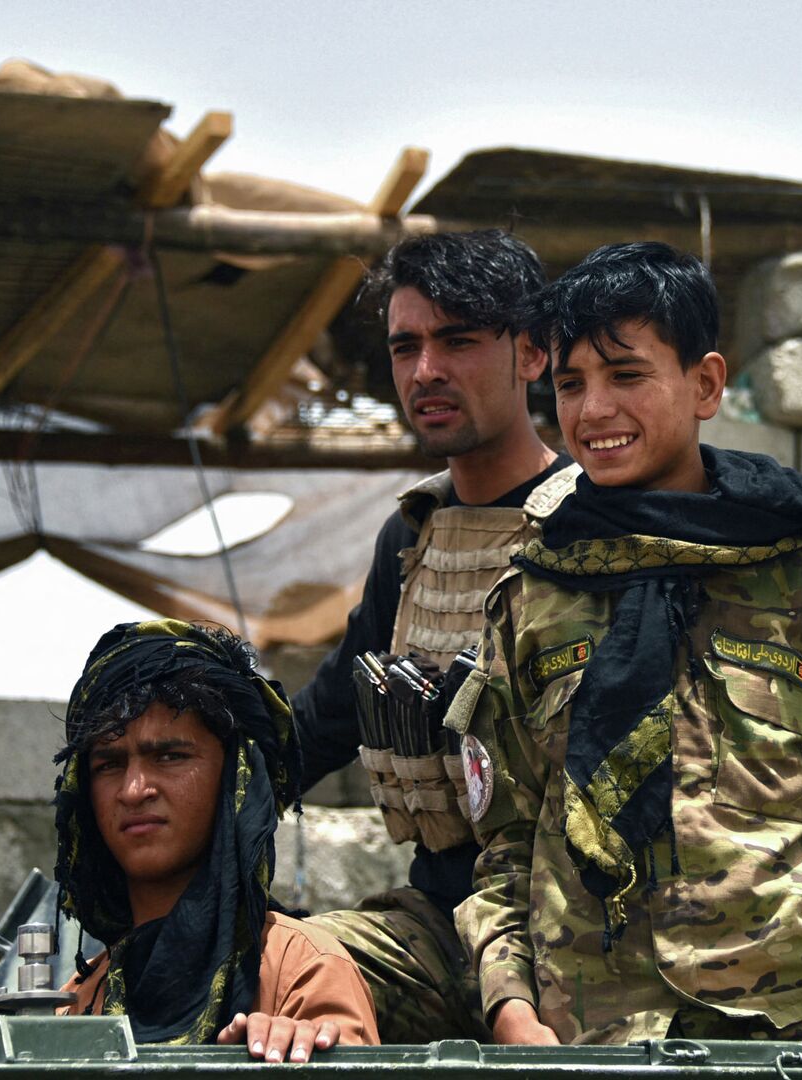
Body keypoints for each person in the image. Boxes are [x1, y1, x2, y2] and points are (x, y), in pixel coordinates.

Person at [453, 242, 802, 1049]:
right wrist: (510, 1008)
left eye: (626, 375)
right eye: (570, 385)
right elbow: (505, 843)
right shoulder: (534, 593)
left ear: (706, 384)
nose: (594, 410)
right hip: (587, 1042)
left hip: (782, 1036)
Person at [290, 230, 575, 1041]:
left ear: (531, 353)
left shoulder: (592, 526)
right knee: (268, 965)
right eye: (405, 347)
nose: (425, 372)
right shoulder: (413, 536)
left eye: (457, 342)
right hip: (442, 928)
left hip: (579, 940)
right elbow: (325, 721)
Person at [52, 619, 379, 1060]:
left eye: (170, 756)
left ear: (234, 778)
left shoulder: (302, 970)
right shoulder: (77, 1001)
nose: (133, 790)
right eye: (108, 765)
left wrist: (287, 1060)